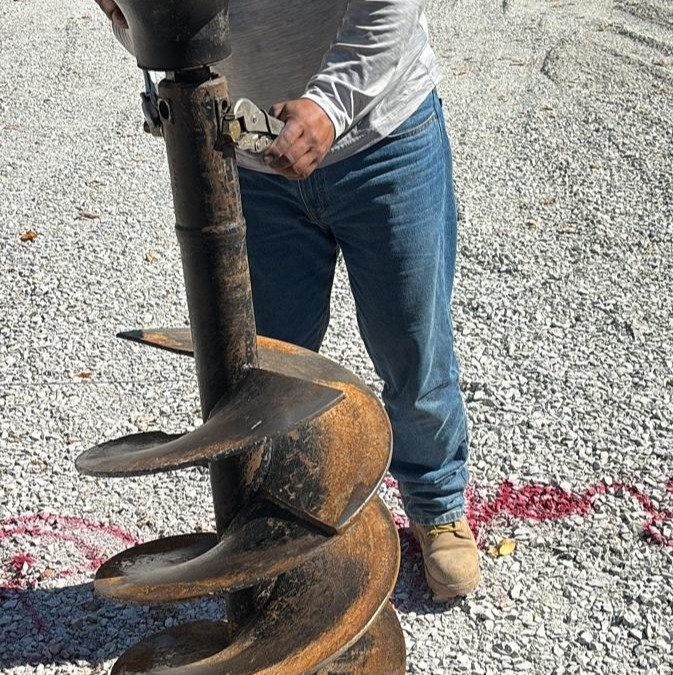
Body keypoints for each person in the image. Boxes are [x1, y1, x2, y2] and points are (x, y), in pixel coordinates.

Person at [95, 0, 480, 600]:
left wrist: (329, 109)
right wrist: (132, 19)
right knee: (267, 366)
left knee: (413, 346)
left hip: (384, 142)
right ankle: (277, 526)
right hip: (251, 160)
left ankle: (436, 504)